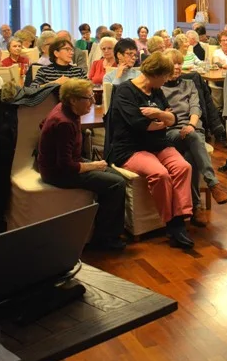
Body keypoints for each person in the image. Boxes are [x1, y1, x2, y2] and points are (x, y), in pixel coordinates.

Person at [106, 52, 194, 249]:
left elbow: (173, 120)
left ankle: (180, 218)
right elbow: (139, 125)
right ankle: (172, 223)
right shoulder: (124, 91)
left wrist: (158, 114)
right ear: (154, 75)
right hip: (130, 148)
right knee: (160, 173)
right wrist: (161, 119)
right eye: (164, 77)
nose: (166, 81)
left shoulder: (155, 91)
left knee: (183, 166)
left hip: (158, 144)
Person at [38, 79, 126, 251]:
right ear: (73, 100)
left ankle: (108, 231)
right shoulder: (64, 122)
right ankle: (104, 238)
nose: (93, 101)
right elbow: (65, 166)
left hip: (68, 163)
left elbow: (43, 124)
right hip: (57, 173)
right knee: (117, 183)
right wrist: (93, 165)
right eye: (89, 97)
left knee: (117, 177)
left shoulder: (65, 110)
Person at [160, 50, 227, 227]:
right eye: (172, 64)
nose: (176, 67)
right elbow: (162, 116)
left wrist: (191, 125)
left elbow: (195, 108)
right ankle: (213, 183)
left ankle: (195, 207)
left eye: (178, 63)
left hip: (192, 128)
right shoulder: (158, 87)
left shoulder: (189, 83)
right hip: (171, 131)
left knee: (190, 157)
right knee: (192, 139)